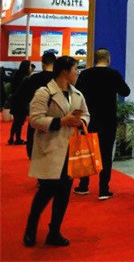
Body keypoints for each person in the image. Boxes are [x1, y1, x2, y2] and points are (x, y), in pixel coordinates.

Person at [23, 56, 89, 247]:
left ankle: (54, 231)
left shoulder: (77, 94)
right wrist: (61, 121)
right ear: (65, 72)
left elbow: (86, 114)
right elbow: (35, 119)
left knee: (64, 192)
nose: (77, 73)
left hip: (70, 149)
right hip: (50, 148)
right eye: (75, 69)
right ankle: (31, 226)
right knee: (46, 190)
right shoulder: (44, 92)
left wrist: (81, 121)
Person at [73, 48, 131, 200]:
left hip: (89, 119)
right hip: (108, 120)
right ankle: (103, 189)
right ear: (108, 59)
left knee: (86, 152)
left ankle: (83, 186)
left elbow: (76, 94)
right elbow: (126, 91)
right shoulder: (113, 74)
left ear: (94, 59)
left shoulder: (85, 74)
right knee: (106, 154)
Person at [16, 52, 57, 159]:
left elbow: (20, 97)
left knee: (34, 151)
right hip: (57, 120)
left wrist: (28, 112)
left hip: (37, 119)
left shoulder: (32, 79)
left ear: (42, 63)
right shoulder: (59, 79)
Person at [8, 60, 32, 145]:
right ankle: (17, 139)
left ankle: (11, 138)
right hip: (22, 102)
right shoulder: (25, 78)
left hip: (15, 101)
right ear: (26, 67)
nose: (30, 67)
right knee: (19, 122)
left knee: (16, 121)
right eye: (30, 66)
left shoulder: (17, 75)